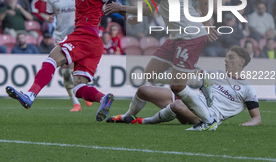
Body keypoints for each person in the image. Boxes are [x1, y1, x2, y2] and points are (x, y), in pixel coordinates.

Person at [105, 0, 219, 131]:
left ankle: (209, 121)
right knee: (151, 73)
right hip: (177, 36)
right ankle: (129, 115)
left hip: (189, 36)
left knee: (177, 86)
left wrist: (120, 7)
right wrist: (206, 20)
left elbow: (149, 10)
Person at [6, 0, 115, 122]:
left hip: (84, 35)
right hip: (94, 41)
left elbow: (115, 4)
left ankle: (30, 95)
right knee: (79, 88)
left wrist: (129, 9)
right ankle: (103, 98)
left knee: (51, 60)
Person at [107, 46, 261, 129]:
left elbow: (256, 118)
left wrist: (244, 126)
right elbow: (195, 75)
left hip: (204, 114)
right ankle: (126, 116)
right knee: (143, 90)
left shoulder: (247, 88)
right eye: (226, 57)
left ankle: (143, 121)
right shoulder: (216, 74)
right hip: (192, 102)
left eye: (231, 57)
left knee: (178, 105)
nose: (226, 60)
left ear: (241, 62)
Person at [46, 0, 89, 111]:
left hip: (77, 33)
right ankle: (76, 102)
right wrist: (49, 18)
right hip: (60, 35)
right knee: (65, 71)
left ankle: (84, 92)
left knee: (76, 66)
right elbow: (50, 14)